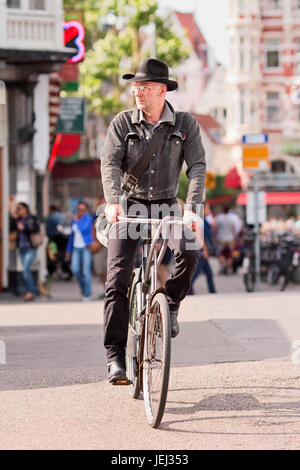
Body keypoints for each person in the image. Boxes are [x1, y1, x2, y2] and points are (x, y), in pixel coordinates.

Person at [101, 58, 206, 384]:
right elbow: (111, 165)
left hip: (165, 207)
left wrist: (192, 208)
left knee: (189, 250)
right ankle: (115, 357)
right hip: (129, 207)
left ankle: (170, 304)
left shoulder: (185, 125)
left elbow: (198, 167)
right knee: (117, 280)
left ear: (162, 91)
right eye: (135, 87)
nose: (137, 92)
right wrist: (113, 202)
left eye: (144, 87)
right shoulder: (122, 123)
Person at [9, 202, 40, 301]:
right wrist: (13, 218)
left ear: (26, 209)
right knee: (25, 270)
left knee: (26, 269)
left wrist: (25, 228)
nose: (19, 210)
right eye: (17, 208)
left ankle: (31, 292)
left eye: (20, 208)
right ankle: (32, 291)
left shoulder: (32, 218)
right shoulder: (18, 220)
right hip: (21, 247)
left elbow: (36, 229)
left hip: (31, 247)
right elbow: (11, 229)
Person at [65, 201, 94, 301]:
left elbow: (83, 229)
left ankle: (88, 293)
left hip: (86, 247)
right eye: (78, 210)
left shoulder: (88, 218)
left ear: (85, 210)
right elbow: (71, 237)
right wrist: (68, 251)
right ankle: (83, 289)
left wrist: (77, 221)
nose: (80, 212)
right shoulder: (75, 220)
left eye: (82, 210)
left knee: (86, 271)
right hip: (76, 248)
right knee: (75, 270)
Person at [214, 206, 237, 274]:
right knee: (229, 255)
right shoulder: (232, 219)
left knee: (221, 254)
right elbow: (234, 230)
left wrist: (215, 238)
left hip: (221, 239)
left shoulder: (219, 218)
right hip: (230, 239)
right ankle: (229, 268)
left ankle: (223, 265)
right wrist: (235, 238)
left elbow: (215, 229)